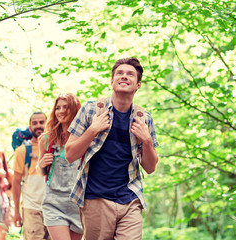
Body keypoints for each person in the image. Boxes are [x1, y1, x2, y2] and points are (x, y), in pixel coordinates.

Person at [65, 57, 159, 240]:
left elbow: (151, 167)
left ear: (138, 84)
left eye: (130, 74)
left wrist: (147, 140)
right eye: (120, 73)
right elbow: (69, 154)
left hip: (130, 198)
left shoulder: (144, 118)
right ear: (112, 81)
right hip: (96, 199)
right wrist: (93, 129)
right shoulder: (91, 110)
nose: (124, 77)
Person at [37, 93, 83, 240]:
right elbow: (40, 170)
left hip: (78, 202)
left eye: (66, 107)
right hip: (54, 201)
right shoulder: (46, 139)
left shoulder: (84, 138)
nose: (61, 111)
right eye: (58, 108)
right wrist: (42, 164)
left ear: (75, 110)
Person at [12, 111, 50, 240]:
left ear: (48, 124)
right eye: (34, 123)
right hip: (31, 208)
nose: (38, 125)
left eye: (41, 122)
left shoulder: (55, 147)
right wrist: (16, 212)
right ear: (30, 127)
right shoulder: (22, 151)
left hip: (54, 208)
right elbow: (16, 182)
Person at [0, 147, 14, 239]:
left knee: (2, 235)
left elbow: (13, 191)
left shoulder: (10, 174)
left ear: (3, 158)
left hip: (5, 209)